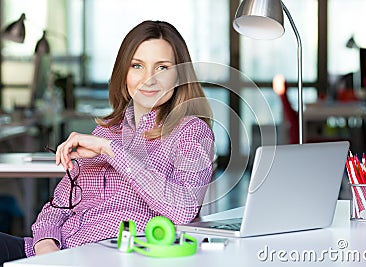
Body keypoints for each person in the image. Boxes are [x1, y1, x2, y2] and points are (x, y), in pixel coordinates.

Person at [0, 20, 214, 265]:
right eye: (137, 66)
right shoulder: (106, 130)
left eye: (162, 68)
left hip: (109, 257)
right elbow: (58, 206)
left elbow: (183, 208)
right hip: (55, 254)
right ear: (124, 72)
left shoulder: (191, 131)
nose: (149, 79)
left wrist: (112, 150)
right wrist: (46, 244)